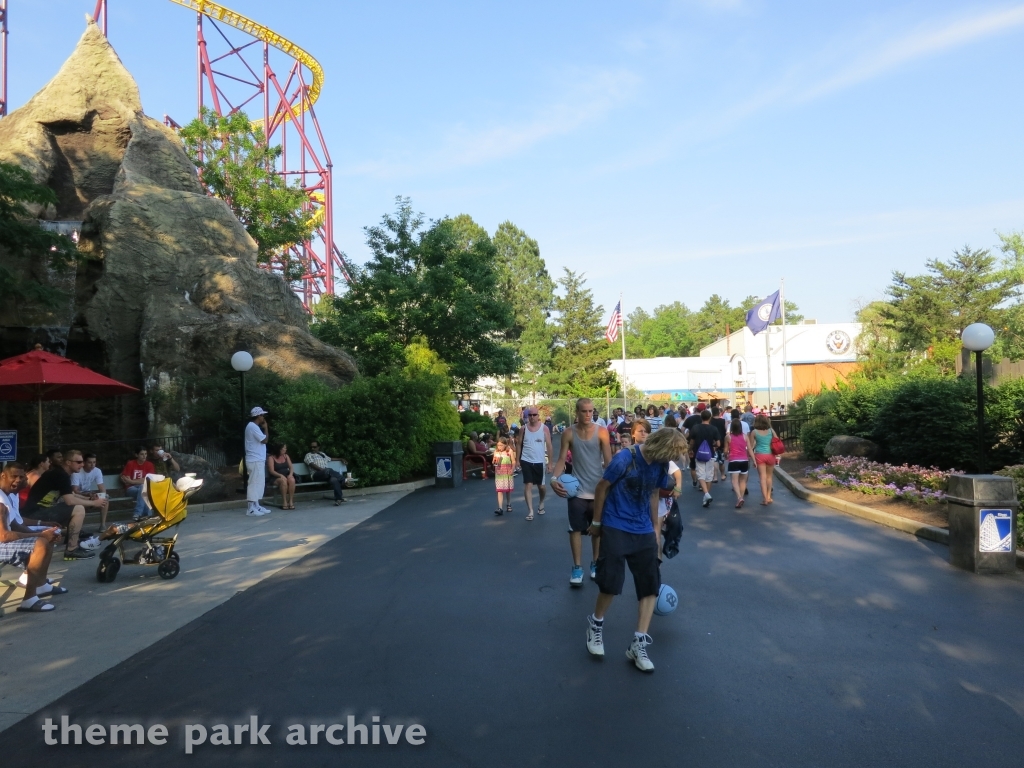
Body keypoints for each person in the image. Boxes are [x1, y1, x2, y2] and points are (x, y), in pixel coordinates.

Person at [585, 427, 687, 672]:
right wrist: (597, 523)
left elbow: (653, 492)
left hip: (642, 529)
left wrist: (654, 527)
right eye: (672, 452)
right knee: (611, 582)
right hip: (616, 523)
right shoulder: (625, 458)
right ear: (661, 447)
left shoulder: (661, 465)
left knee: (649, 585)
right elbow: (601, 487)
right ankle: (595, 625)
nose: (673, 458)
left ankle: (638, 643)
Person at [550, 398, 612, 585]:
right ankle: (577, 568)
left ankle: (595, 563)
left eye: (591, 411)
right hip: (576, 490)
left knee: (597, 529)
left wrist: (612, 487)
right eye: (584, 411)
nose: (588, 414)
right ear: (577, 412)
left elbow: (609, 462)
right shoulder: (568, 433)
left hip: (598, 491)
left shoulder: (602, 432)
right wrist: (554, 479)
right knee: (575, 530)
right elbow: (561, 459)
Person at [0, 463, 63, 613]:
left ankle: (40, 585)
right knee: (40, 543)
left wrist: (44, 532)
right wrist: (39, 536)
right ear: (3, 476)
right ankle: (29, 600)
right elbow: (3, 536)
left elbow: (15, 524)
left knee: (47, 537)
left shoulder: (7, 495)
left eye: (21, 477)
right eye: (14, 476)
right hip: (2, 542)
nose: (18, 480)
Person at [24, 449, 103, 559]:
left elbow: (70, 494)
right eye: (79, 462)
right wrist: (94, 503)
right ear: (68, 462)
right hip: (34, 514)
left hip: (39, 511)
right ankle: (72, 549)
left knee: (76, 506)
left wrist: (88, 497)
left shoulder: (60, 473)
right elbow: (70, 500)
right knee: (78, 508)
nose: (82, 465)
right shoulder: (61, 475)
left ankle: (71, 539)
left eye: (82, 462)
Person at [515, 407, 553, 520]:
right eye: (530, 415)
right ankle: (530, 511)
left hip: (539, 462)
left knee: (541, 487)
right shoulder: (523, 429)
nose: (532, 417)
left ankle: (541, 502)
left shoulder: (544, 428)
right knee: (528, 485)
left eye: (534, 415)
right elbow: (518, 444)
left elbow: (550, 446)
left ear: (538, 416)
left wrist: (550, 463)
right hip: (526, 460)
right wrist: (517, 460)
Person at [688, 410, 720, 508]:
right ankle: (707, 495)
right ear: (710, 418)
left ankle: (706, 495)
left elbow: (692, 441)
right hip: (710, 454)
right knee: (709, 476)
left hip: (699, 453)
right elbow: (718, 443)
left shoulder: (696, 428)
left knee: (700, 474)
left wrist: (690, 450)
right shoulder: (714, 429)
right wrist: (713, 445)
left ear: (701, 417)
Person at [304, 441, 350, 506]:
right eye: (311, 447)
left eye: (314, 447)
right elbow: (312, 465)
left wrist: (341, 459)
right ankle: (343, 480)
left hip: (327, 474)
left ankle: (338, 499)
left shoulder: (322, 454)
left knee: (334, 480)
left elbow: (330, 459)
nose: (312, 449)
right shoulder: (308, 455)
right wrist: (324, 470)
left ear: (318, 447)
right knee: (328, 470)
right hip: (316, 475)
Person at [245, 407, 272, 516]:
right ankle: (250, 508)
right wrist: (266, 428)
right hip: (254, 460)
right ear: (258, 416)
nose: (263, 418)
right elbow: (265, 440)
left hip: (258, 459)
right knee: (254, 483)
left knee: (259, 483)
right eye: (262, 415)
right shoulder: (252, 427)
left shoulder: (253, 427)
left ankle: (256, 505)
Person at [72, 453, 108, 527]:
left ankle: (102, 525)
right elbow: (75, 490)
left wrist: (103, 495)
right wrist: (88, 494)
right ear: (84, 463)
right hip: (77, 495)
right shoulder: (77, 472)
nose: (92, 465)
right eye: (89, 462)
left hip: (88, 494)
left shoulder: (97, 471)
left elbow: (101, 487)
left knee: (105, 500)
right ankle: (79, 527)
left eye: (94, 462)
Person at [120, 447, 156, 520]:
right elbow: (126, 479)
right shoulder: (130, 464)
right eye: (142, 454)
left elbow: (148, 479)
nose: (144, 456)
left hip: (141, 487)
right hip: (130, 489)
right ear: (137, 455)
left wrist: (132, 481)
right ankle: (147, 514)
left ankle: (138, 514)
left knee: (143, 488)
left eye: (145, 454)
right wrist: (141, 481)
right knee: (145, 489)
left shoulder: (149, 465)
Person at [750, 413, 779, 505]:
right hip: (770, 455)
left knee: (762, 477)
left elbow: (750, 446)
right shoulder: (771, 430)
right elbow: (777, 440)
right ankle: (769, 496)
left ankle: (765, 499)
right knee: (769, 477)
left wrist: (751, 458)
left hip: (759, 455)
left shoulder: (754, 432)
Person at [727, 419, 755, 508]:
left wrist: (725, 454)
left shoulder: (728, 437)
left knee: (734, 481)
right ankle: (741, 497)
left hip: (734, 460)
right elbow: (749, 449)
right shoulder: (745, 436)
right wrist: (754, 460)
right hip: (744, 460)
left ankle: (739, 498)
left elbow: (725, 450)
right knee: (743, 481)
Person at [267, 443, 296, 510]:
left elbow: (291, 467)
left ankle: (291, 501)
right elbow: (271, 471)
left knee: (292, 480)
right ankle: (284, 502)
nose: (285, 449)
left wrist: (290, 474)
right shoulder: (271, 458)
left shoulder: (286, 456)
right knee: (283, 481)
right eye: (284, 448)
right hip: (276, 476)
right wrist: (280, 475)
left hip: (286, 474)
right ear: (279, 449)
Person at [491, 437, 516, 516]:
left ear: (505, 445)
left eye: (501, 445)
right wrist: (494, 461)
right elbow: (493, 461)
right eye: (498, 445)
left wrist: (512, 469)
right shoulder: (496, 452)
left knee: (507, 490)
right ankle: (500, 507)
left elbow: (513, 461)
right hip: (499, 473)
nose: (499, 447)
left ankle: (508, 504)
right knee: (500, 490)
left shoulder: (509, 451)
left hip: (507, 473)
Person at [710, 407, 728, 483]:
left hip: (713, 442)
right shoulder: (723, 421)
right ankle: (723, 475)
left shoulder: (710, 421)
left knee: (714, 460)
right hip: (722, 441)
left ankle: (715, 477)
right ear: (719, 412)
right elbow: (726, 430)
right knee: (721, 460)